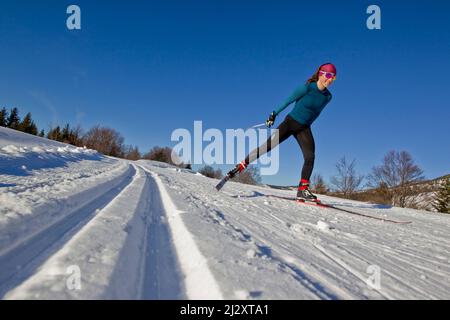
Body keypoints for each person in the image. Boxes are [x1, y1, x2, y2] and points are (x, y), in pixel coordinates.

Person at [226, 63, 336, 202]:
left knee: (310, 156)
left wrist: (307, 124)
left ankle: (302, 190)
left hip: (304, 128)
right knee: (268, 146)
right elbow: (288, 101)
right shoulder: (307, 88)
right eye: (328, 75)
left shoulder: (328, 97)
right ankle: (242, 164)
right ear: (321, 74)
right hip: (290, 123)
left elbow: (315, 113)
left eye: (333, 77)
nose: (330, 79)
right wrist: (273, 114)